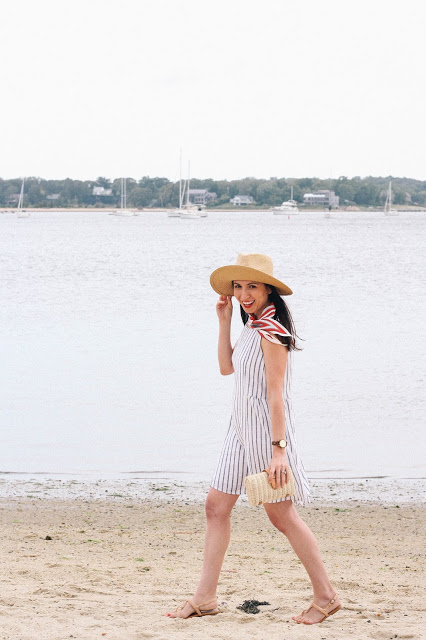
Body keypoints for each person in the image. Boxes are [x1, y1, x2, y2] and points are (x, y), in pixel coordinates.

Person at [166, 253, 341, 625]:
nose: (244, 293)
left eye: (252, 286)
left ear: (269, 290)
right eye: (239, 286)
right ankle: (206, 598)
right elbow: (226, 368)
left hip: (265, 434)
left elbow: (276, 394)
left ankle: (326, 596)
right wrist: (225, 320)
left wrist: (279, 451)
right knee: (215, 507)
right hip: (238, 430)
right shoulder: (252, 323)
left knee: (282, 516)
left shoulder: (272, 329)